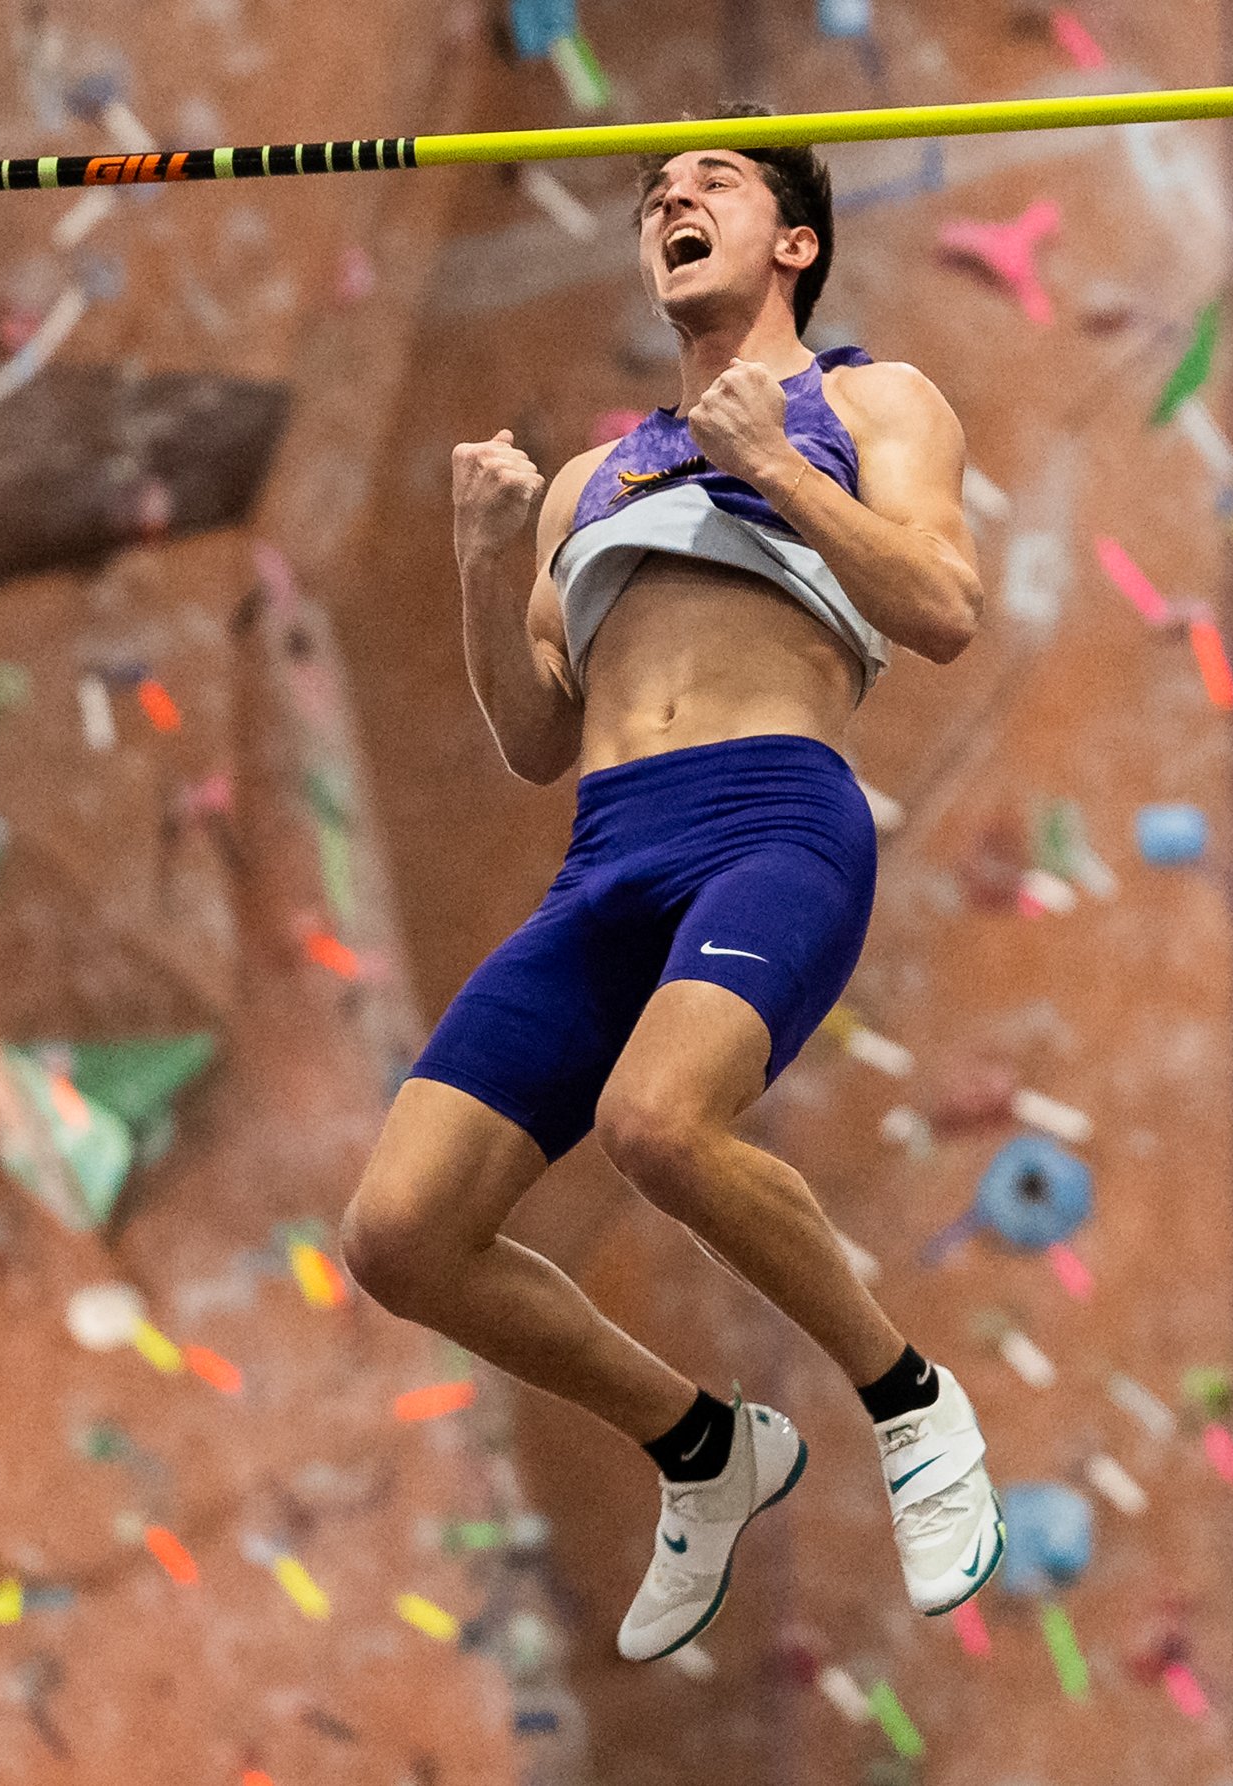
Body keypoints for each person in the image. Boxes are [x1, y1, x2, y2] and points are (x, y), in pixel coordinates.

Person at [341, 104, 1003, 1662]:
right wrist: (484, 561)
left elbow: (946, 607)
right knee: (400, 1232)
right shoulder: (592, 476)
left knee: (657, 1120)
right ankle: (703, 1445)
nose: (671, 199)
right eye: (654, 192)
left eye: (712, 180)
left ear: (797, 241)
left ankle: (910, 1402)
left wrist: (783, 464)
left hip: (773, 818)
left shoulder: (875, 396)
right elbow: (531, 738)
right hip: (607, 855)